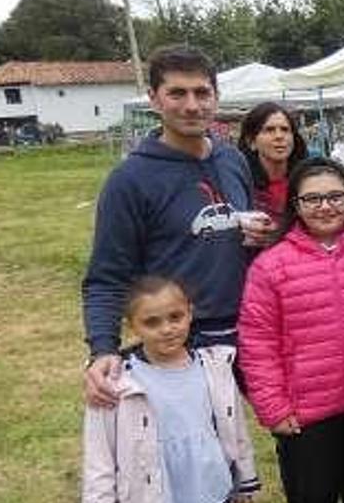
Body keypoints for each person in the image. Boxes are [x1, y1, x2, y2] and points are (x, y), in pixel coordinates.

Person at [82, 44, 277, 408]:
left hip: (249, 326)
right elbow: (106, 277)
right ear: (154, 99)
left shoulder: (232, 159)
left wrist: (259, 241)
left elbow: (244, 241)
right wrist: (102, 348)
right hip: (181, 337)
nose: (192, 105)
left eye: (202, 92)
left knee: (286, 424)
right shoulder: (130, 179)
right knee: (191, 449)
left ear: (216, 97)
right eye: (177, 93)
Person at [239, 158, 344, 503]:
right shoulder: (271, 265)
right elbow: (257, 344)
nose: (325, 206)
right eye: (312, 199)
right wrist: (274, 408)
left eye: (335, 196)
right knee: (315, 498)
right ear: (295, 205)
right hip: (306, 410)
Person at [82, 276, 260, 503]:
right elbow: (99, 460)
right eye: (152, 322)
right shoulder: (116, 383)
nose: (167, 329)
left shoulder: (215, 367)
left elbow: (235, 429)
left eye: (175, 317)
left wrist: (245, 480)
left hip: (214, 494)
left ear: (190, 313)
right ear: (132, 325)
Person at [239, 101, 308, 220]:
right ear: (251, 142)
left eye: (285, 129)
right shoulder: (240, 186)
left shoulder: (308, 182)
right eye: (269, 130)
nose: (279, 136)